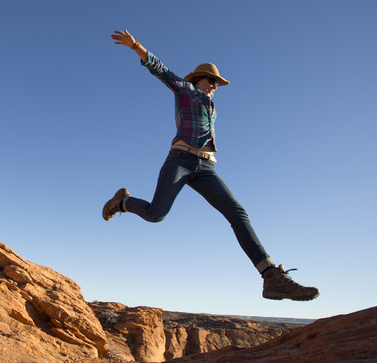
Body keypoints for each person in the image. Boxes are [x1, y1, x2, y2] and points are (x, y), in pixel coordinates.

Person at [103, 29, 319, 302]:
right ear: (198, 79)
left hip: (205, 167)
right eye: (211, 80)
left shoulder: (212, 106)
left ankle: (271, 278)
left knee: (238, 213)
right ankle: (123, 202)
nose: (215, 85)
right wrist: (135, 46)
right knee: (156, 214)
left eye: (217, 82)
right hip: (180, 161)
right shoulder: (185, 91)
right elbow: (160, 70)